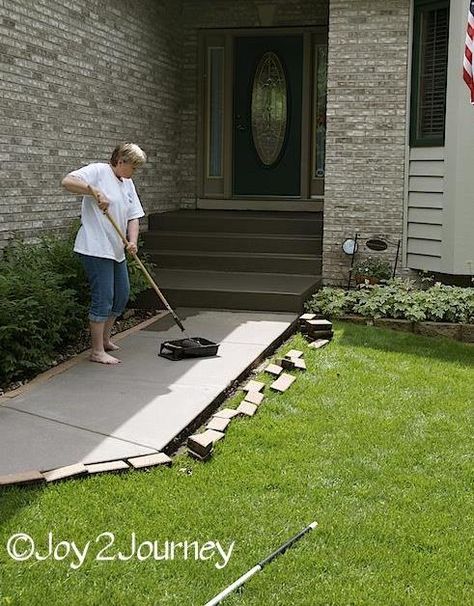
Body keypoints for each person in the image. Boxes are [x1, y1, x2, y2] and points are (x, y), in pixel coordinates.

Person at [61, 143, 147, 365]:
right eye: (133, 167)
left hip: (116, 248)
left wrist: (133, 241)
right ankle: (97, 351)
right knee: (104, 297)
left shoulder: (127, 183)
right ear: (121, 161)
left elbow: (134, 216)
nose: (134, 172)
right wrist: (94, 190)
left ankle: (106, 340)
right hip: (95, 247)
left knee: (122, 295)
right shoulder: (99, 171)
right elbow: (67, 181)